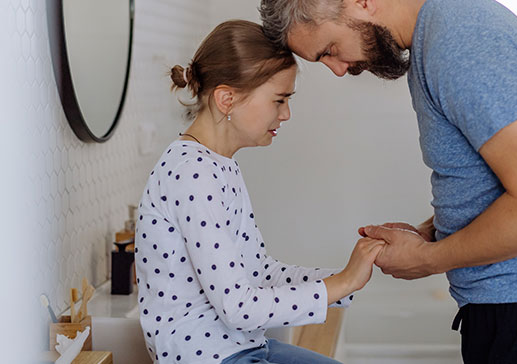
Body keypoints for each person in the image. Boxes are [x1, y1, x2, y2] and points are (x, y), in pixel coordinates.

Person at [259, 0, 517, 363]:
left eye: (328, 50)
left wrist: (430, 258)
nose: (339, 69)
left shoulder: (458, 44)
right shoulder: (442, 31)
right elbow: (501, 182)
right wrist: (431, 232)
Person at [134, 19, 385, 364]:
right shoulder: (191, 173)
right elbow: (239, 308)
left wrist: (345, 278)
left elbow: (257, 272)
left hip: (240, 347)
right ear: (227, 99)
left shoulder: (218, 164)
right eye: (279, 100)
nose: (286, 114)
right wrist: (340, 284)